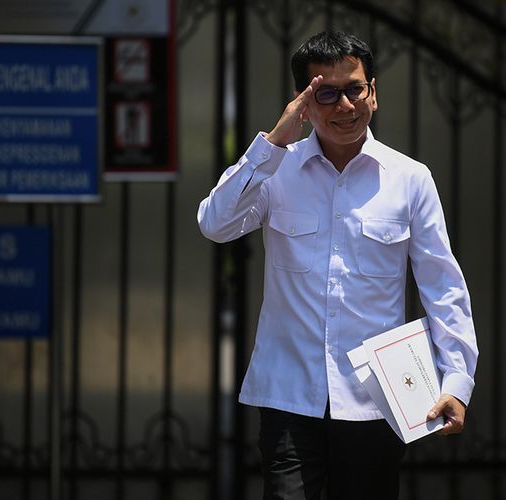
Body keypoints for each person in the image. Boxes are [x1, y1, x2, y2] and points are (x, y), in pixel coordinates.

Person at [197, 30, 478, 500]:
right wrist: (272, 143)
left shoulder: (410, 179)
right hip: (289, 396)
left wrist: (457, 380)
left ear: (373, 93)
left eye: (354, 89)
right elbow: (214, 223)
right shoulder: (275, 170)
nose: (344, 105)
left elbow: (442, 286)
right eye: (326, 93)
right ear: (303, 102)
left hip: (376, 400)